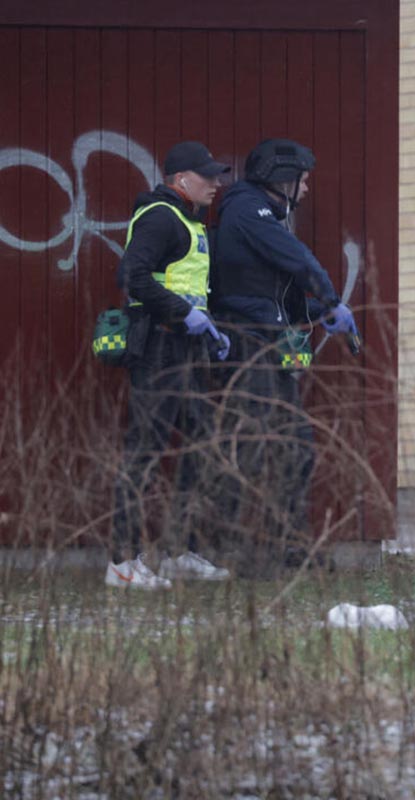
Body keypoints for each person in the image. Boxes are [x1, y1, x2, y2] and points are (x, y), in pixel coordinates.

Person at [209, 138, 357, 573]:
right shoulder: (246, 209)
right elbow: (298, 261)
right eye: (303, 181)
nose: (307, 189)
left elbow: (278, 294)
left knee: (294, 446)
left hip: (268, 340)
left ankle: (290, 545)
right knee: (255, 446)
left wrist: (317, 313)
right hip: (248, 343)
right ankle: (244, 551)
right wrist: (330, 298)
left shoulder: (265, 217)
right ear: (282, 179)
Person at [107, 141, 233, 589]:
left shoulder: (189, 222)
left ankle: (181, 550)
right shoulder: (161, 217)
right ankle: (122, 564)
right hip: (159, 349)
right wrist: (184, 315)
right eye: (208, 176)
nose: (217, 184)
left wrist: (210, 329)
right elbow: (132, 277)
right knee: (144, 452)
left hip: (186, 349)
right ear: (182, 179)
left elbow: (187, 287)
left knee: (200, 447)